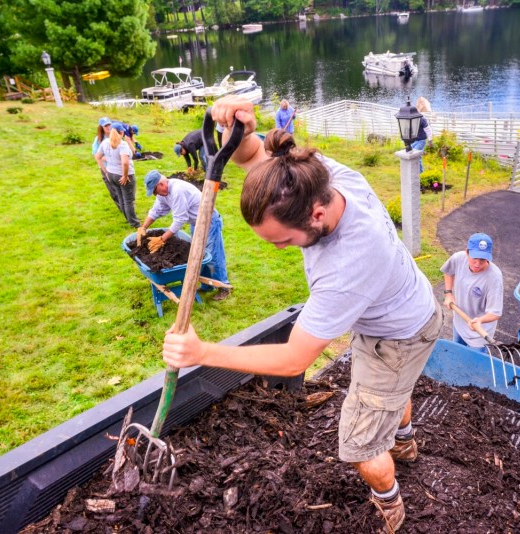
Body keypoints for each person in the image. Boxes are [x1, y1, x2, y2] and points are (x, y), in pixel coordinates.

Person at [161, 96, 443, 532]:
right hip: (402, 307)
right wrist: (244, 130)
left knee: (361, 446)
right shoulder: (318, 177)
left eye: (282, 242)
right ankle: (404, 443)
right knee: (388, 390)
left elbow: (293, 360)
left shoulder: (347, 265)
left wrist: (202, 351)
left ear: (315, 215)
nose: (277, 250)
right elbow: (256, 155)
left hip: (400, 336)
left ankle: (391, 505)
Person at [138, 170, 231, 301]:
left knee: (213, 255)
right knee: (200, 254)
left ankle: (224, 287)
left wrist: (162, 239)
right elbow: (156, 210)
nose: (156, 194)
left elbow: (180, 219)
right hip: (197, 222)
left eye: (155, 191)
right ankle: (208, 286)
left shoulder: (177, 191)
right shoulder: (163, 193)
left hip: (209, 221)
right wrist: (143, 227)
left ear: (161, 184)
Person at [441, 233, 503, 351]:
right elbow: (448, 272)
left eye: (483, 259)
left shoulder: (494, 277)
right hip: (459, 322)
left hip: (479, 331)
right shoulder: (458, 258)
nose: (478, 264)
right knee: (457, 353)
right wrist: (448, 293)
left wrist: (480, 320)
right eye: (474, 258)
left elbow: (495, 313)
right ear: (467, 252)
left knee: (474, 365)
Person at [95, 122, 140, 228]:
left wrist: (106, 171)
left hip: (111, 174)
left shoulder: (105, 142)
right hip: (123, 175)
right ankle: (135, 223)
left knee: (121, 197)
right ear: (122, 132)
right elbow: (125, 162)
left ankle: (129, 219)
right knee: (128, 200)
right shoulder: (122, 144)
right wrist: (125, 176)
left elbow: (97, 157)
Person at [91, 117, 122, 212]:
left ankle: (127, 207)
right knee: (113, 190)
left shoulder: (116, 136)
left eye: (109, 124)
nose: (108, 127)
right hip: (106, 167)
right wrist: (109, 158)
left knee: (122, 188)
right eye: (106, 126)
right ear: (101, 127)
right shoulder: (98, 140)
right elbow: (96, 155)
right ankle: (122, 208)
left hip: (118, 166)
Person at [411, 97, 433, 174]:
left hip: (421, 140)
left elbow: (428, 130)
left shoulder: (422, 119)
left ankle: (420, 173)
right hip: (413, 141)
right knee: (412, 154)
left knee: (416, 155)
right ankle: (415, 171)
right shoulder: (412, 117)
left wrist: (430, 140)